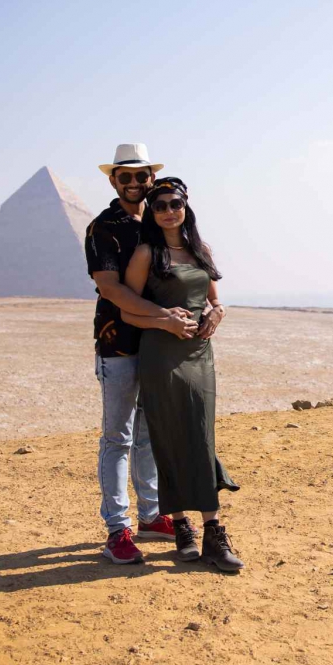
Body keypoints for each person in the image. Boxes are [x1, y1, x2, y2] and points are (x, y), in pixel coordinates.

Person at [122, 177, 244, 572]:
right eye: (159, 206)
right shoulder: (146, 253)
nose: (168, 211)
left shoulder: (200, 250)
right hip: (161, 353)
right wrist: (163, 321)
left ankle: (214, 533)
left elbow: (214, 299)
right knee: (169, 434)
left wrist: (217, 312)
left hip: (199, 353)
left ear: (186, 206)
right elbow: (127, 310)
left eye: (175, 203)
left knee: (200, 433)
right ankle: (182, 528)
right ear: (152, 213)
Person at [85, 143, 198, 564]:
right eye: (124, 176)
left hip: (158, 346)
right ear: (112, 180)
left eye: (140, 176)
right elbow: (111, 288)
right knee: (118, 437)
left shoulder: (158, 223)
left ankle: (151, 515)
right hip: (119, 345)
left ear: (152, 178)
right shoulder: (104, 226)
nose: (134, 183)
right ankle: (118, 529)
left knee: (149, 433)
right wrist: (164, 316)